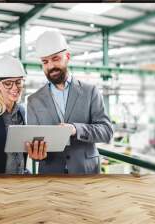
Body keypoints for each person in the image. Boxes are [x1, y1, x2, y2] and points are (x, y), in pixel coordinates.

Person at [27, 30, 113, 174]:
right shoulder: (33, 100)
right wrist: (36, 155)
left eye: (55, 59)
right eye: (45, 62)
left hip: (86, 172)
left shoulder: (90, 91)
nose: (50, 66)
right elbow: (34, 145)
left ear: (67, 57)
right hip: (51, 173)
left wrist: (75, 129)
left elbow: (106, 132)